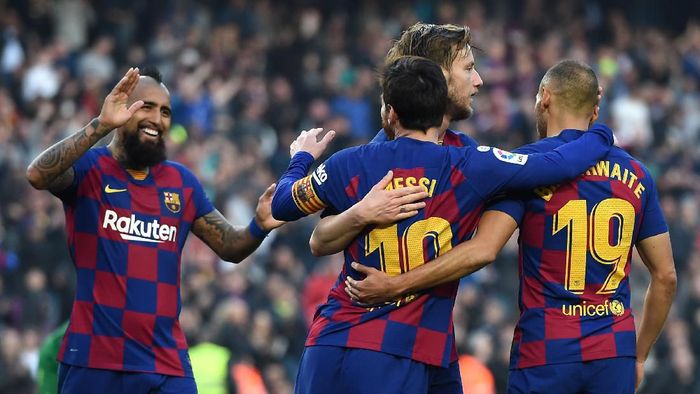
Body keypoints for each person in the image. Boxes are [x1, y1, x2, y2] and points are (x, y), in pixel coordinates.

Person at [271, 56, 614, 394]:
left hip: (327, 342)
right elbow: (559, 164)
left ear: (390, 112)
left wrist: (301, 156)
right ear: (442, 109)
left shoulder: (349, 161)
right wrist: (599, 131)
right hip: (394, 350)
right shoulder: (469, 165)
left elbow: (282, 203)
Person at [344, 60, 677, 394]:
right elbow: (665, 278)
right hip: (613, 352)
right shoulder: (637, 175)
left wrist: (398, 283)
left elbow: (484, 249)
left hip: (546, 350)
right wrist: (639, 355)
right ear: (595, 109)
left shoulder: (525, 168)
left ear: (545, 97)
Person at [25, 66, 284, 394]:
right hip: (95, 357)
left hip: (166, 361)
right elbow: (37, 175)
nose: (157, 118)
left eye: (165, 112)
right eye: (146, 106)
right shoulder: (91, 169)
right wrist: (100, 125)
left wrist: (258, 226)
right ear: (121, 108)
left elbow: (230, 246)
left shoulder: (181, 183)